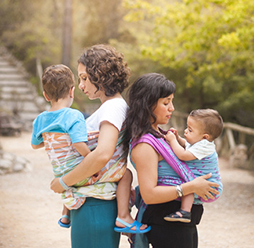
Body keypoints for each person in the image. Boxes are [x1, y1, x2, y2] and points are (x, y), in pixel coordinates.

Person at [50, 44, 149, 248]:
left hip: (94, 204)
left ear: (101, 75)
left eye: (84, 78)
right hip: (94, 203)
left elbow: (103, 154)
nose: (80, 85)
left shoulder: (112, 107)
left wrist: (64, 181)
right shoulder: (113, 106)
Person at [124, 73, 220, 248]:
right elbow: (149, 194)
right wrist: (192, 186)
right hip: (167, 223)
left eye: (172, 102)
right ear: (148, 104)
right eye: (166, 102)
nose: (172, 108)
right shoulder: (145, 145)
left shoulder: (160, 135)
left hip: (178, 223)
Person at [31, 64, 91, 228]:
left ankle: (65, 215)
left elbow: (35, 145)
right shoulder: (73, 115)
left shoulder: (40, 119)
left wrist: (52, 139)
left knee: (67, 170)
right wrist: (92, 159)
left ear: (45, 95)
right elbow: (79, 144)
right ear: (72, 91)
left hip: (60, 172)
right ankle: (124, 216)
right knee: (124, 175)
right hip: (76, 172)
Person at [163, 109, 223, 223]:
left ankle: (185, 211)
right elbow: (186, 145)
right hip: (203, 181)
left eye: (190, 130)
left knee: (190, 186)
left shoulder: (204, 145)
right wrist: (177, 138)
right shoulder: (199, 143)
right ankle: (185, 210)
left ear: (205, 137)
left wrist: (172, 140)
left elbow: (183, 155)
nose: (185, 131)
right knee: (190, 184)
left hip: (210, 186)